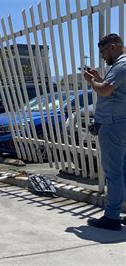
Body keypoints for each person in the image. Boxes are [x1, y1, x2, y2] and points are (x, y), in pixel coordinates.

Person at [83, 33, 126, 231]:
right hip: (120, 123)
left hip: (114, 125)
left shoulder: (121, 64)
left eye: (104, 52)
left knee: (113, 172)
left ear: (115, 47)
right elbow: (112, 88)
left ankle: (112, 217)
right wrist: (99, 78)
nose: (102, 56)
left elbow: (106, 91)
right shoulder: (119, 67)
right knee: (123, 171)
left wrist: (92, 82)